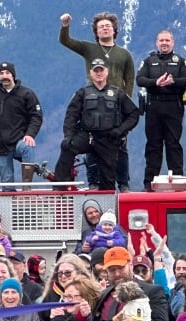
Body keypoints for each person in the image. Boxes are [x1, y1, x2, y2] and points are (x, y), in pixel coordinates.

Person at [59, 11, 135, 192]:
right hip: (92, 101)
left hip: (116, 103)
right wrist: (65, 26)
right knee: (91, 144)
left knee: (121, 146)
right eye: (101, 26)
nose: (105, 28)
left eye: (108, 25)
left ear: (114, 30)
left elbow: (130, 79)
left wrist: (127, 102)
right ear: (96, 31)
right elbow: (66, 41)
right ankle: (93, 182)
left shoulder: (124, 54)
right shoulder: (89, 48)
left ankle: (123, 183)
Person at [54, 58, 140, 190]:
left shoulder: (117, 93)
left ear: (107, 72)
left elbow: (134, 114)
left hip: (109, 139)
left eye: (101, 70)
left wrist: (120, 130)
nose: (99, 73)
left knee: (108, 181)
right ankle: (60, 188)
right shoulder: (82, 93)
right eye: (96, 71)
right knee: (67, 147)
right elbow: (71, 116)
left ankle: (107, 205)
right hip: (87, 136)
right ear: (91, 73)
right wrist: (68, 136)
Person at [136, 29, 186, 191]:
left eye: (167, 40)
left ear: (172, 42)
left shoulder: (180, 61)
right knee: (153, 145)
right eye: (161, 40)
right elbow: (140, 79)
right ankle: (149, 184)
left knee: (173, 144)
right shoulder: (148, 61)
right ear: (157, 43)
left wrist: (173, 82)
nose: (164, 43)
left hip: (173, 106)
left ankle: (178, 182)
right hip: (153, 106)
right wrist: (155, 83)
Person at [0, 62, 43, 191]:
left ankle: (26, 188)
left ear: (13, 75)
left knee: (28, 146)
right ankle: (9, 208)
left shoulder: (26, 94)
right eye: (1, 73)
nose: (4, 76)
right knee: (7, 185)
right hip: (0, 146)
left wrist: (30, 134)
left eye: (7, 73)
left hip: (18, 141)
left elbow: (36, 116)